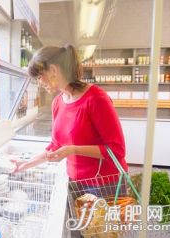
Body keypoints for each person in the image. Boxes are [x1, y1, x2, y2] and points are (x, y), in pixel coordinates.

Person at [11, 44, 128, 186]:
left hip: (104, 185)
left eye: (40, 77)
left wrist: (72, 149)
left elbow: (117, 150)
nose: (39, 83)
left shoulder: (96, 99)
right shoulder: (58, 102)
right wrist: (26, 164)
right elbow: (56, 145)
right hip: (74, 182)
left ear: (53, 70)